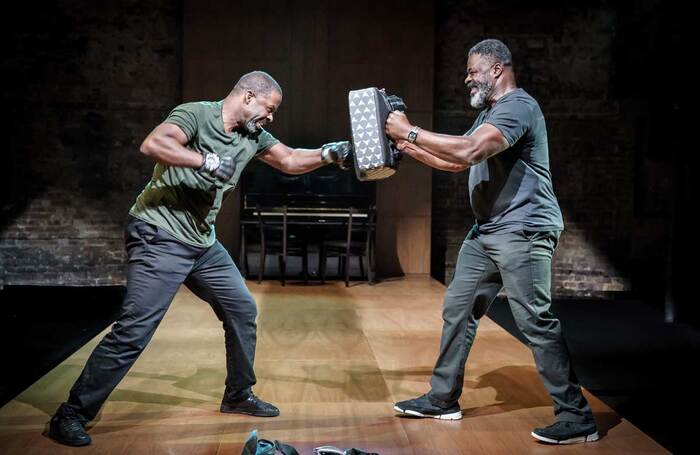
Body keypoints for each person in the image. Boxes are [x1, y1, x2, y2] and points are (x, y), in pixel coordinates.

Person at [48, 71, 353, 447]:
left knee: (241, 309)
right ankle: (71, 414)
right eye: (268, 109)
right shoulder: (196, 115)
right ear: (247, 97)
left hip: (201, 244)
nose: (270, 118)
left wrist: (326, 154)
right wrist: (205, 161)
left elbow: (289, 159)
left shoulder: (253, 135)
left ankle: (238, 394)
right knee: (134, 330)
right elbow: (154, 144)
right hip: (158, 234)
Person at [385, 39, 598, 445]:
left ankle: (577, 416)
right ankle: (443, 398)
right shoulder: (491, 112)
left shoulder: (518, 107)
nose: (467, 77)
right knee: (458, 308)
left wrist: (410, 129)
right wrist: (408, 146)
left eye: (473, 70)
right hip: (488, 231)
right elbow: (454, 161)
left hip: (524, 228)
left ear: (497, 69)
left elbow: (469, 150)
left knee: (534, 319)